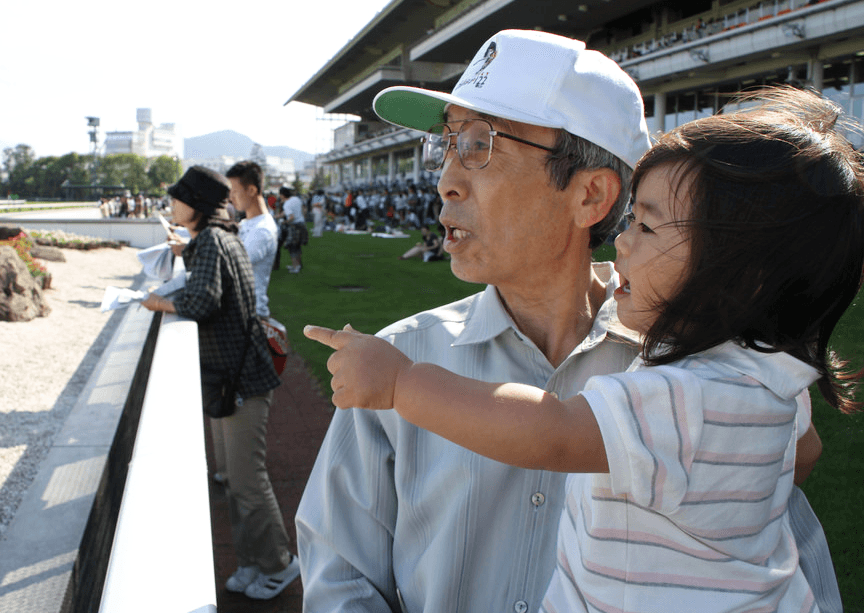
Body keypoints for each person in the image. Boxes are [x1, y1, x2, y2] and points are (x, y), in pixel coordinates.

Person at [295, 30, 840, 613]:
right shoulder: (400, 355)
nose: (445, 179)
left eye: (479, 144)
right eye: (447, 144)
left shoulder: (705, 373)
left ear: (591, 196)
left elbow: (785, 555)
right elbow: (339, 580)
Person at [141, 166, 300, 601]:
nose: (172, 205)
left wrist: (154, 301)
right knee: (235, 479)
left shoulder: (213, 240)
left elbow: (202, 300)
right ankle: (251, 559)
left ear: (195, 205)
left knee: (247, 480)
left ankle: (279, 564)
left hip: (241, 379)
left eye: (177, 199)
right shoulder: (218, 237)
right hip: (233, 377)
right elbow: (210, 287)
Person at [225, 161, 278, 318]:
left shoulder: (263, 230)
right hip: (240, 309)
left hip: (250, 314)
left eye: (234, 191)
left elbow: (231, 266)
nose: (230, 197)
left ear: (251, 190)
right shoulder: (247, 223)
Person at [278, 186, 306, 273]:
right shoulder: (296, 199)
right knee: (297, 246)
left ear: (282, 195)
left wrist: (285, 222)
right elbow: (302, 209)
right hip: (301, 224)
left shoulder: (287, 204)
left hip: (294, 226)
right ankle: (298, 265)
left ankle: (295, 267)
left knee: (292, 247)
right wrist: (276, 216)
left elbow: (291, 217)